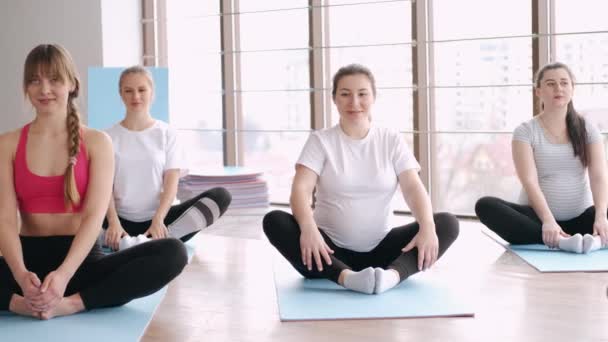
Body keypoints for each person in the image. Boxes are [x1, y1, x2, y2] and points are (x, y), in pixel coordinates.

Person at [0, 44, 187, 320]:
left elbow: (93, 217)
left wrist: (63, 276)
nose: (44, 89)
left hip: (81, 265)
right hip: (27, 270)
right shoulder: (8, 143)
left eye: (54, 79)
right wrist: (20, 275)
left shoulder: (98, 142)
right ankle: (20, 304)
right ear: (26, 87)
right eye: (34, 80)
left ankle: (72, 304)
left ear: (72, 84)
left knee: (173, 252)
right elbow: (4, 219)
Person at [263, 64, 460, 295]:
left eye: (362, 94)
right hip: (326, 252)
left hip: (383, 251)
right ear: (334, 99)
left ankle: (391, 277)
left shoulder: (390, 139)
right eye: (345, 94)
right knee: (274, 220)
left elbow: (413, 187)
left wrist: (427, 226)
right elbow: (301, 189)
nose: (354, 103)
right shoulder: (321, 141)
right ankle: (347, 278)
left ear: (373, 97)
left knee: (446, 223)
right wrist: (308, 229)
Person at [476, 62, 607, 254]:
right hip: (538, 222)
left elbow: (599, 176)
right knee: (485, 206)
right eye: (551, 84)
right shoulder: (525, 131)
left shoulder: (588, 129)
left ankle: (595, 240)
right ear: (538, 92)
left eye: (564, 83)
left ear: (572, 89)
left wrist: (601, 216)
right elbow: (529, 181)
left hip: (582, 219)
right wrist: (548, 221)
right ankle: (562, 241)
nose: (558, 88)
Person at [101, 66, 232, 251]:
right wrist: (113, 222)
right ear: (121, 94)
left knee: (220, 196)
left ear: (152, 92)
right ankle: (120, 239)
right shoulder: (107, 136)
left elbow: (171, 186)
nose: (135, 96)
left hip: (158, 222)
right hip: (119, 222)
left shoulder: (167, 133)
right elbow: (104, 187)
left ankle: (156, 238)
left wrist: (158, 220)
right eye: (128, 91)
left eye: (141, 90)